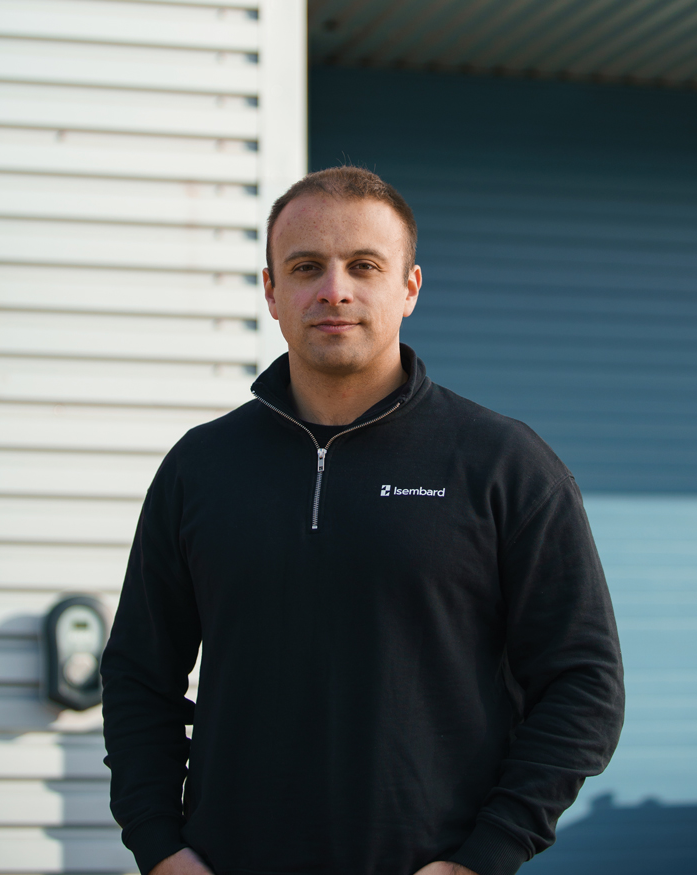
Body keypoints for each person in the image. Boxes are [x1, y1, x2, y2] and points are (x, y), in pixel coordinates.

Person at [101, 167, 624, 875]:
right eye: (306, 267)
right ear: (271, 292)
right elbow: (139, 674)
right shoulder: (201, 467)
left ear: (409, 288)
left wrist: (487, 854)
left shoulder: (504, 464)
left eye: (364, 266)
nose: (334, 290)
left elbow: (584, 682)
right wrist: (159, 845)